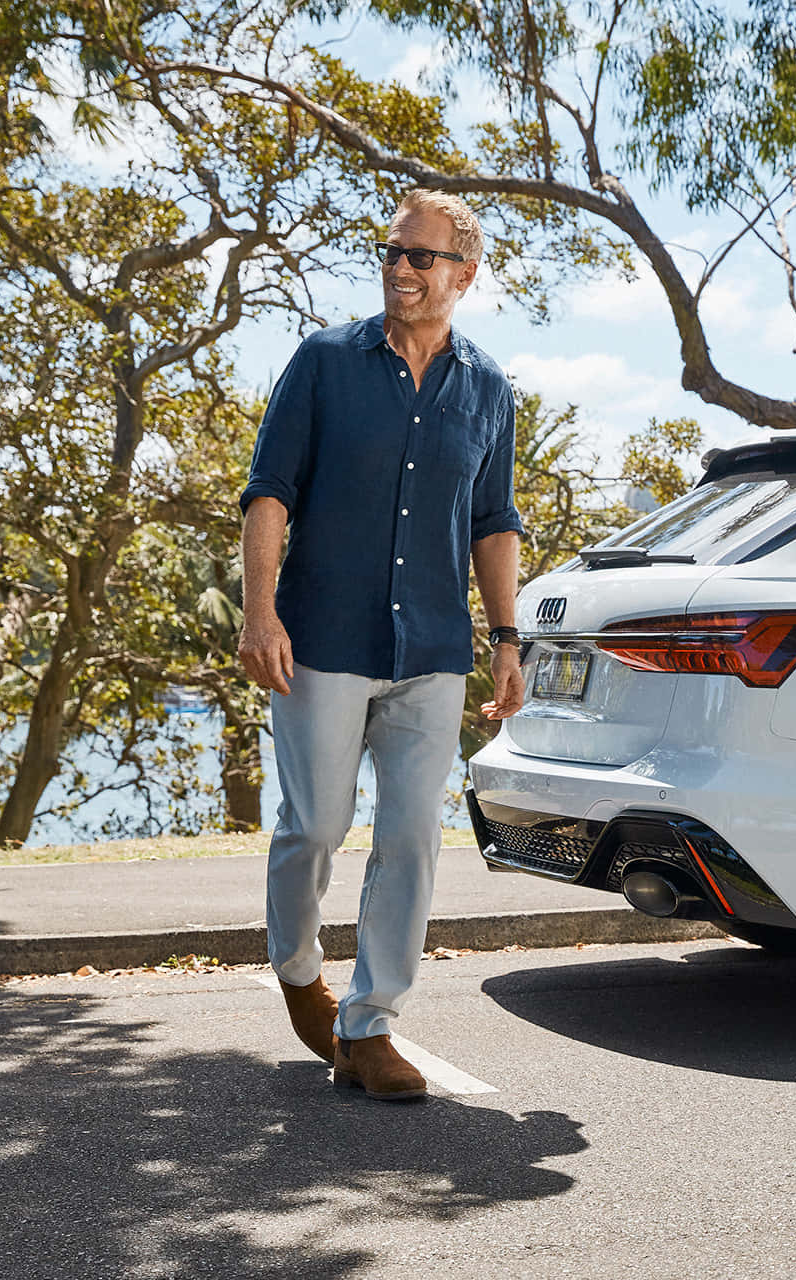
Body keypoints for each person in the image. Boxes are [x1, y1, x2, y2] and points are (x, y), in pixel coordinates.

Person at [237, 190, 525, 1102]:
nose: (401, 268)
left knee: (410, 840)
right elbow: (269, 492)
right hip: (320, 637)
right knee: (314, 828)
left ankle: (371, 1026)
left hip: (433, 648)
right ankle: (296, 969)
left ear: (464, 276)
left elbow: (492, 523)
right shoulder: (323, 362)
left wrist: (506, 639)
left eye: (421, 257)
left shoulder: (488, 390)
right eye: (391, 252)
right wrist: (260, 613)